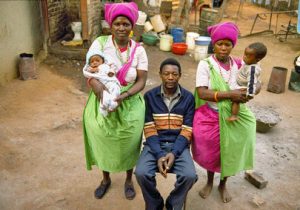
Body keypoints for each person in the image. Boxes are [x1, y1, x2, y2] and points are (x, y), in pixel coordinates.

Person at [83, 2, 148, 200]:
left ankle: (129, 179)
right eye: (117, 23)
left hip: (129, 101)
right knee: (102, 138)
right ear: (111, 25)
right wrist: (100, 91)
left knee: (129, 142)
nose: (121, 28)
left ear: (132, 26)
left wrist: (124, 96)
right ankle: (105, 179)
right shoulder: (100, 43)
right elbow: (90, 71)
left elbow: (142, 80)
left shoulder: (138, 50)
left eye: (126, 24)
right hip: (101, 98)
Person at [192, 22, 258, 203]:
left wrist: (253, 90)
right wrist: (231, 94)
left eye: (227, 44)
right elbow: (202, 93)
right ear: (214, 44)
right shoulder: (205, 64)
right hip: (211, 114)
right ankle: (210, 181)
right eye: (220, 43)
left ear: (232, 46)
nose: (223, 48)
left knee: (231, 149)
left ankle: (223, 184)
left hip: (234, 112)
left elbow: (254, 78)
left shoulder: (238, 63)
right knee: (212, 151)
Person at [135, 58, 197, 210]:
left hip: (179, 145)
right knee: (141, 173)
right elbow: (149, 128)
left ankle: (172, 203)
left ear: (180, 75)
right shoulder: (149, 96)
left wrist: (174, 153)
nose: (170, 77)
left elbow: (187, 129)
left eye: (174, 74)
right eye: (166, 74)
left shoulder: (188, 98)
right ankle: (155, 203)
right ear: (160, 75)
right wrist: (159, 155)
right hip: (155, 144)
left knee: (190, 176)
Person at [227, 42, 267, 121]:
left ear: (257, 59)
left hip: (243, 87)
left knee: (236, 100)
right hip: (240, 81)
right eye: (245, 54)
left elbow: (252, 82)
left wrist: (249, 94)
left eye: (247, 56)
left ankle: (234, 115)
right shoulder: (250, 62)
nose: (244, 57)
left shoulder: (253, 69)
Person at [83, 50, 120, 117]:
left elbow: (113, 69)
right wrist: (91, 69)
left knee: (115, 89)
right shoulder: (92, 69)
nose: (94, 63)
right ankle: (103, 106)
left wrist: (111, 71)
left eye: (97, 60)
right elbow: (88, 71)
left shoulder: (105, 66)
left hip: (110, 81)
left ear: (103, 61)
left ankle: (113, 102)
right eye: (92, 61)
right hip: (102, 84)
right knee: (105, 95)